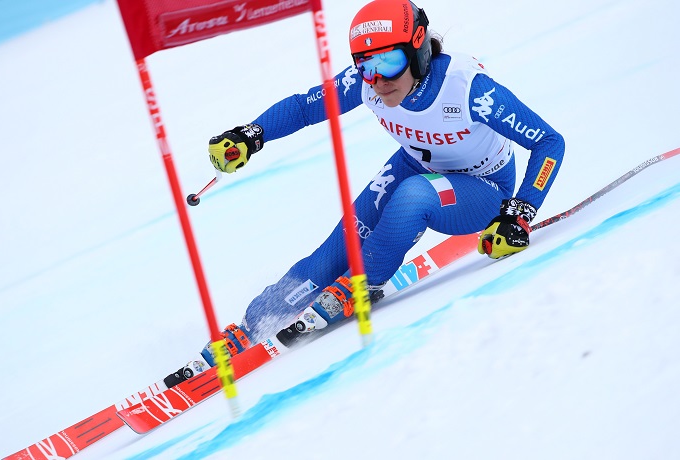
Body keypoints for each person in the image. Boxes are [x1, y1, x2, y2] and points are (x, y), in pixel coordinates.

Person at [171, 0, 565, 381]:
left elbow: (549, 142)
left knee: (413, 195)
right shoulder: (367, 83)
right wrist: (251, 135)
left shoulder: (469, 89)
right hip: (418, 164)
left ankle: (364, 283)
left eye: (389, 62)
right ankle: (254, 325)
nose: (377, 79)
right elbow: (306, 106)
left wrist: (519, 214)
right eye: (366, 65)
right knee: (330, 255)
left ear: (419, 48)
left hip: (482, 188)